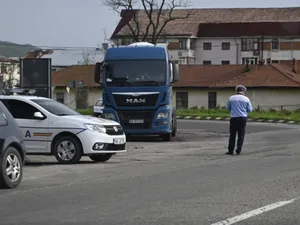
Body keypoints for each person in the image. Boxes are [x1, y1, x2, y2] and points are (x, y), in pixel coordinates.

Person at [226, 85, 253, 155]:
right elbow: (250, 109)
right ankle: (238, 150)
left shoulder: (231, 98)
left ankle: (230, 150)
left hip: (233, 118)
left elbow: (228, 108)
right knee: (241, 134)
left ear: (236, 90)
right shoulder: (246, 99)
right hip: (242, 118)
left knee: (232, 135)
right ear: (243, 91)